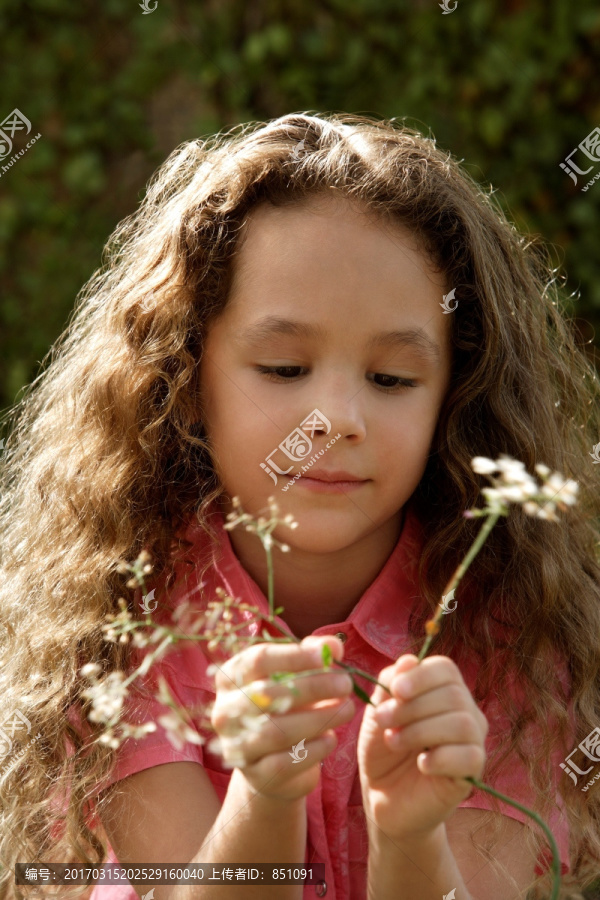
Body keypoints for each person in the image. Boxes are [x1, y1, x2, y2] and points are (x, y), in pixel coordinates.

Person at [0, 112, 599, 900]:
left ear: (457, 398)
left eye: (391, 379)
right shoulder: (121, 624)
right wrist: (266, 792)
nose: (337, 419)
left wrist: (411, 831)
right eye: (284, 367)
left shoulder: (515, 629)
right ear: (184, 379)